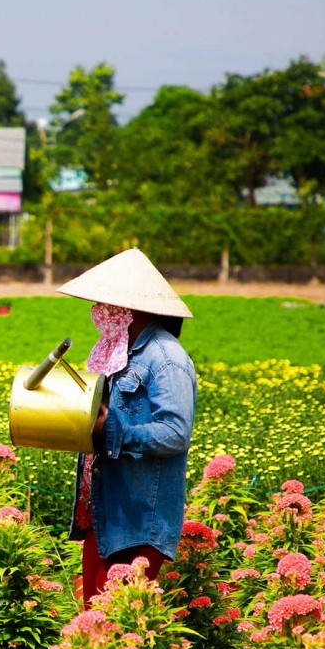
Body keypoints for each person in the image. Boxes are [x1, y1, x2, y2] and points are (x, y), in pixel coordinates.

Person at [57, 248, 197, 605]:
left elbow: (175, 433)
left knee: (119, 624)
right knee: (92, 618)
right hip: (105, 511)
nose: (101, 312)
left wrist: (113, 429)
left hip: (138, 519)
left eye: (110, 304)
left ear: (134, 309)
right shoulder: (117, 351)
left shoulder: (166, 359)